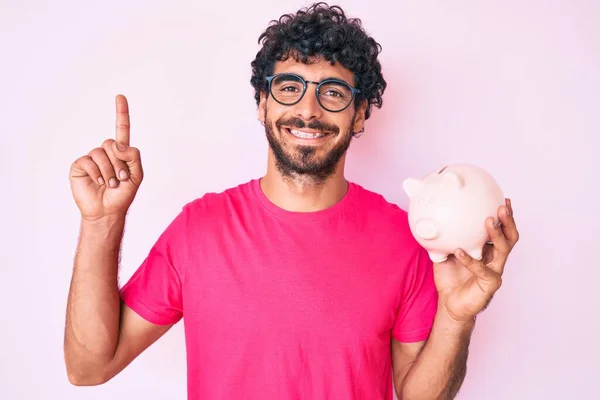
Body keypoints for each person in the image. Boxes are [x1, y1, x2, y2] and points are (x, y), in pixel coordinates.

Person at [64, 3, 519, 399]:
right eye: (289, 87)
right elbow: (88, 368)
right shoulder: (198, 230)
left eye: (333, 93)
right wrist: (102, 220)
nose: (309, 110)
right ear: (262, 102)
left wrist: (457, 318)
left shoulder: (404, 240)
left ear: (360, 112)